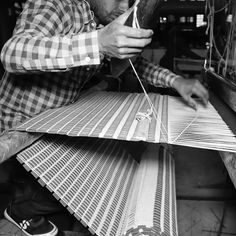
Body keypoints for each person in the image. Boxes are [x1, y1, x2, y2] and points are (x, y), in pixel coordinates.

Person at [0, 0, 209, 235]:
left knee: (97, 177)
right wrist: (98, 43)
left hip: (58, 120)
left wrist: (175, 81)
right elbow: (13, 53)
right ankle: (20, 211)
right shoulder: (56, 4)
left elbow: (134, 65)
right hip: (22, 126)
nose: (123, 5)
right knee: (74, 186)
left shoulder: (99, 22)